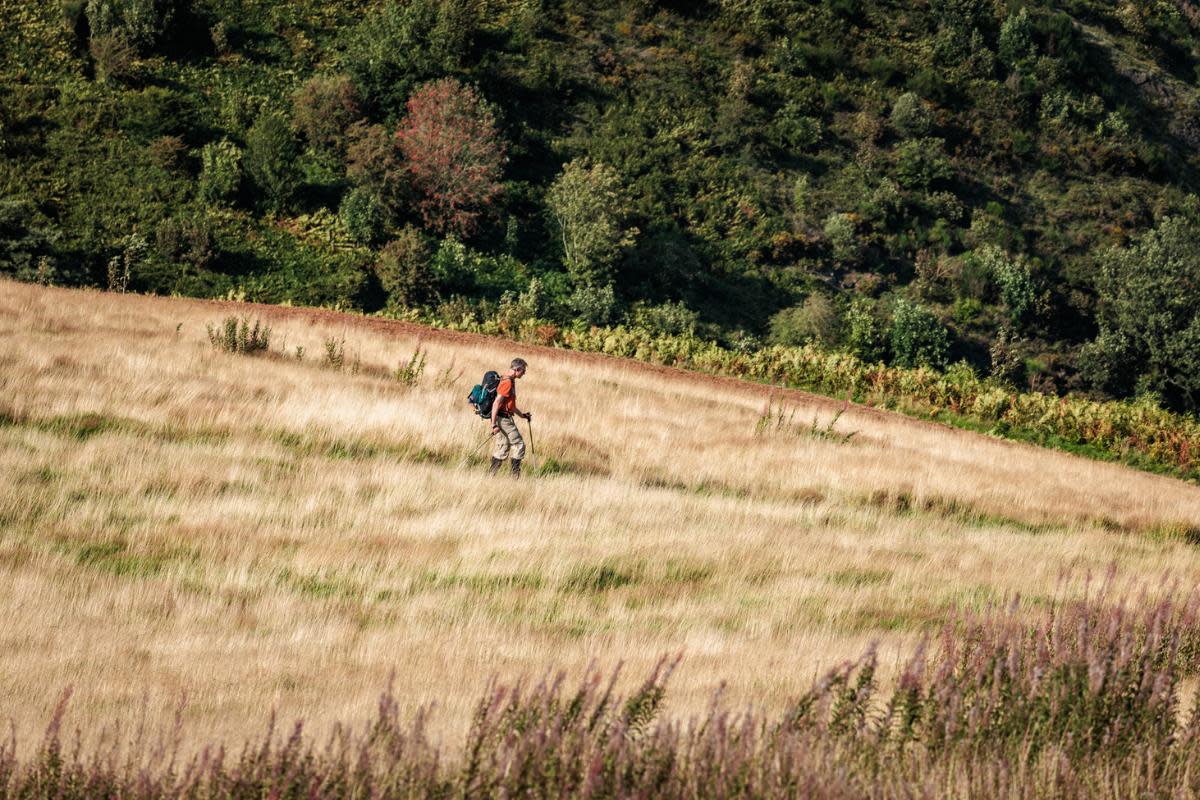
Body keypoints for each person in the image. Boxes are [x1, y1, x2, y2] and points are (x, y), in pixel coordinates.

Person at [490, 358, 531, 477]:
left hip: (501, 418)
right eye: (523, 371)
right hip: (503, 419)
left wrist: (522, 415)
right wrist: (494, 424)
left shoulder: (507, 379)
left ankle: (491, 476)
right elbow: (496, 403)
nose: (524, 373)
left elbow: (511, 406)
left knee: (503, 446)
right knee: (519, 445)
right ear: (517, 369)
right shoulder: (507, 383)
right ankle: (515, 477)